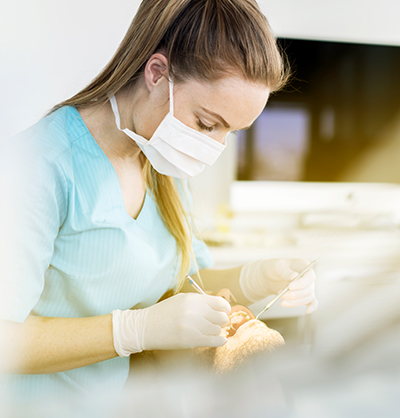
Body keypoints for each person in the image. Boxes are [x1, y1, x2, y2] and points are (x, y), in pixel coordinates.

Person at [0, 0, 317, 400]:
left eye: (229, 133)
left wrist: (254, 277)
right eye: (206, 123)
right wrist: (134, 330)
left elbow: (183, 284)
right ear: (156, 73)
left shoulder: (158, 158)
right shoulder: (41, 167)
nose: (213, 147)